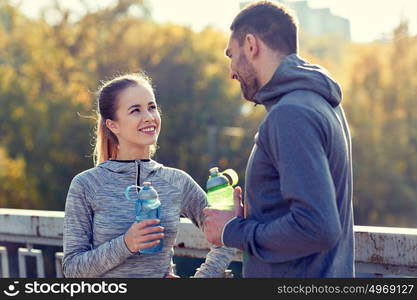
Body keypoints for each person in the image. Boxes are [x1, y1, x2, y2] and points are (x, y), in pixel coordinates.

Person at [203, 1, 354, 277]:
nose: (231, 71)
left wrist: (232, 230)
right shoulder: (321, 103)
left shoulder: (291, 114)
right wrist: (255, 213)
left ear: (251, 44)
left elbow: (318, 227)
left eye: (231, 55)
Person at [63, 73, 235, 278]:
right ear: (112, 125)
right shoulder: (86, 184)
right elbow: (72, 269)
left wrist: (203, 277)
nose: (149, 117)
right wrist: (127, 243)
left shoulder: (177, 182)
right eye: (135, 110)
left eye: (151, 107)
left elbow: (228, 233)